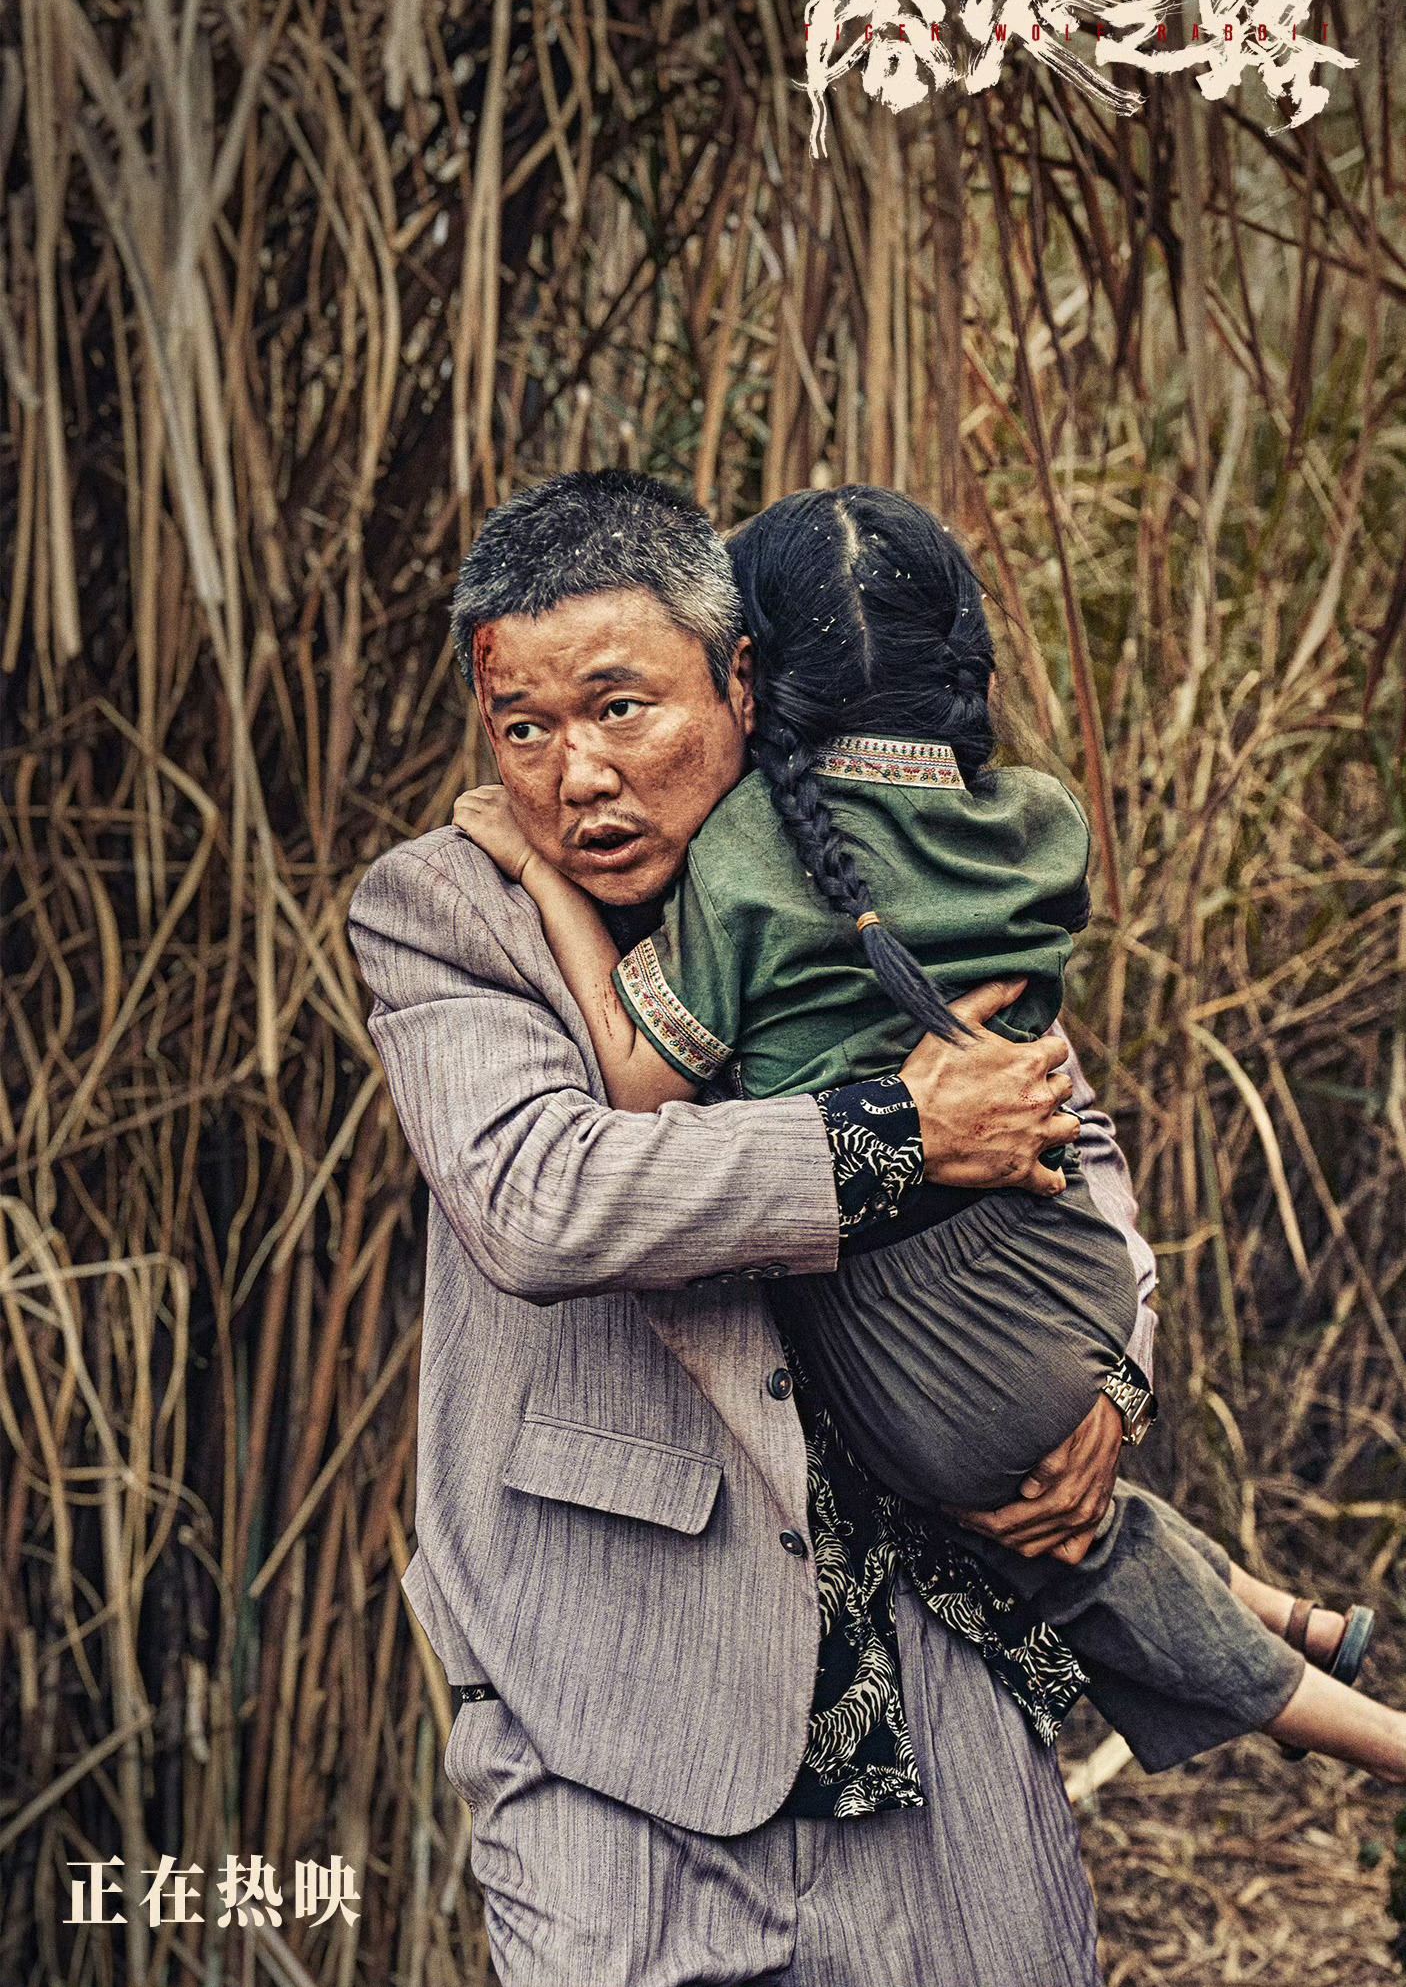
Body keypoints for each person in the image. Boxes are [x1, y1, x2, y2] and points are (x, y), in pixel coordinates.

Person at [350, 469, 1310, 1986]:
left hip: (931, 1662)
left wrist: (1110, 1385)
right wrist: (894, 1135)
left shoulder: (854, 862)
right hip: (617, 1717)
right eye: (523, 727)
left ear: (740, 679)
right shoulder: (444, 910)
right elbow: (542, 1192)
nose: (574, 775)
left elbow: (1072, 1135)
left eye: (619, 708)